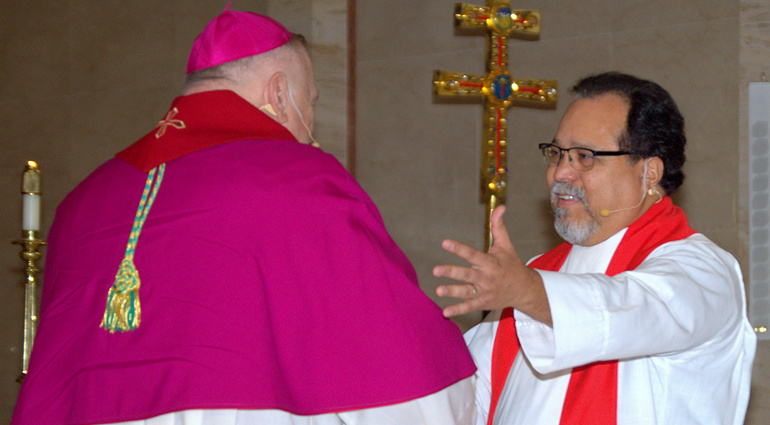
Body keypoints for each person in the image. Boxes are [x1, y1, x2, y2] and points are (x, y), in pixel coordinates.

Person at [11, 7, 476, 425]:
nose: (311, 126)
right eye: (310, 102)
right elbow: (392, 365)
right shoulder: (300, 181)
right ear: (279, 92)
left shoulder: (82, 202)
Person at [433, 72, 757, 425]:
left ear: (649, 172)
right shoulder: (539, 273)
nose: (561, 173)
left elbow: (632, 310)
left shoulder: (703, 271)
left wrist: (526, 290)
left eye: (585, 157)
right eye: (557, 154)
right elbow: (460, 397)